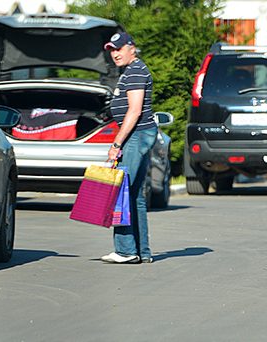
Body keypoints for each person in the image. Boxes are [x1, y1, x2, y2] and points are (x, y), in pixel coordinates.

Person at [100, 32, 157, 264]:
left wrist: (116, 144)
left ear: (131, 48)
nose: (115, 54)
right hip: (140, 134)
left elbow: (134, 111)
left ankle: (125, 251)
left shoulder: (134, 71)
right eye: (112, 50)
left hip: (136, 135)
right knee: (134, 196)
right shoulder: (132, 71)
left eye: (119, 48)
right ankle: (142, 251)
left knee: (120, 192)